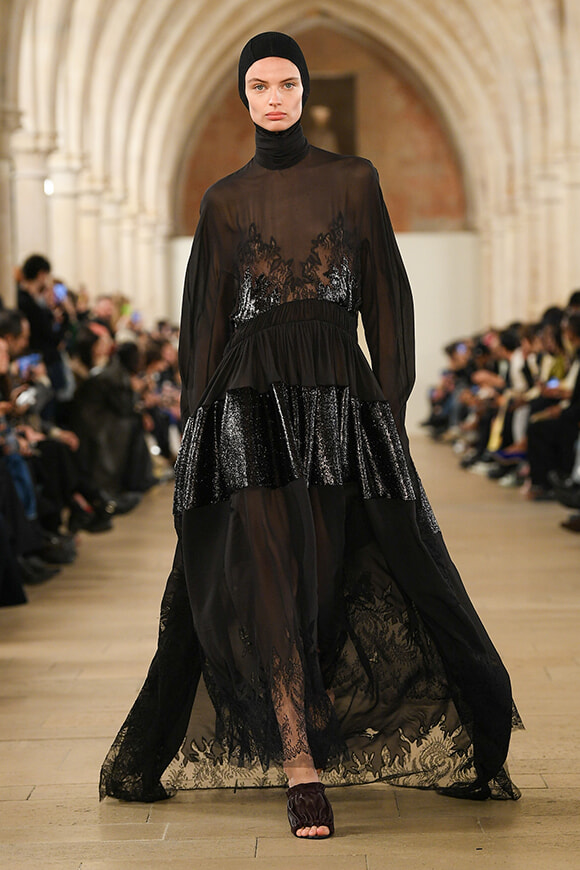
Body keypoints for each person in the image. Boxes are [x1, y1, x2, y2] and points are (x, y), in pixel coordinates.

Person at [100, 32, 520, 839]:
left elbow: (386, 297)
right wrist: (196, 430)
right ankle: (300, 767)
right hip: (247, 400)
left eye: (286, 83)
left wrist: (387, 411)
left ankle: (335, 720)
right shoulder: (223, 200)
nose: (274, 98)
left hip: (335, 397)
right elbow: (204, 324)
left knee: (324, 575)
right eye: (259, 85)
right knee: (269, 576)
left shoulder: (355, 180)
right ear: (243, 96)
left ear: (304, 90)